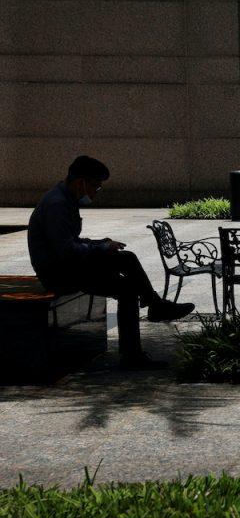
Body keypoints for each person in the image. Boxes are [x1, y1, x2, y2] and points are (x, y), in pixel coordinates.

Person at [27, 156, 195, 370]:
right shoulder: (57, 205)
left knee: (127, 270)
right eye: (96, 186)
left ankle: (152, 314)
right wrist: (101, 248)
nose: (97, 192)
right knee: (126, 274)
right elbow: (67, 251)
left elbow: (71, 243)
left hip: (68, 266)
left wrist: (99, 243)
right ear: (81, 183)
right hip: (59, 273)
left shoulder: (64, 199)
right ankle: (150, 318)